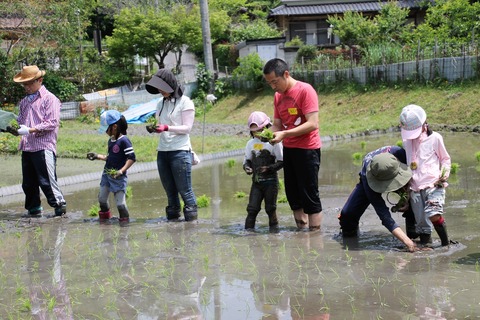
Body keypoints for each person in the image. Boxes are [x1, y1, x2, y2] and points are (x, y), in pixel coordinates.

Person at [263, 58, 322, 231]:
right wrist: (267, 133)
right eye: (269, 83)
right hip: (289, 149)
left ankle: (315, 237)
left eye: (275, 82)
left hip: (308, 150)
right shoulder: (277, 96)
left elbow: (313, 123)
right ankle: (301, 234)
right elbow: (277, 125)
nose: (273, 87)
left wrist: (284, 134)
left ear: (286, 74)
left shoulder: (305, 91)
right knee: (293, 196)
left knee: (309, 196)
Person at [9, 65, 67, 217]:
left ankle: (59, 206)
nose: (26, 87)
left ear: (39, 80)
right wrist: (16, 129)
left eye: (29, 83)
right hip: (27, 146)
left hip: (43, 146)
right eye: (24, 84)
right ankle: (34, 209)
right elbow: (21, 122)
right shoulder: (24, 102)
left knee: (46, 180)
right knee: (28, 183)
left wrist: (30, 130)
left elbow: (52, 122)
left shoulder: (50, 99)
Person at [338, 147, 418, 252]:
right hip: (371, 177)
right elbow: (383, 214)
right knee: (347, 215)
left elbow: (414, 177)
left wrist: (406, 197)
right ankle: (350, 239)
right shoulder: (368, 179)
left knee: (415, 199)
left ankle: (414, 234)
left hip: (396, 171)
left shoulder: (402, 154)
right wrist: (407, 242)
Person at [145, 69, 198, 221]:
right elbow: (160, 125)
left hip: (180, 151)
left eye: (162, 88)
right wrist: (154, 128)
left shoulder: (186, 102)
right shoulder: (160, 104)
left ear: (170, 85)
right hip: (163, 151)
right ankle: (173, 224)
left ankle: (191, 225)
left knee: (185, 190)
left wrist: (167, 128)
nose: (160, 91)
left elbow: (187, 128)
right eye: (159, 89)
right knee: (170, 191)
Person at [400, 104, 452, 246]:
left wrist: (443, 176)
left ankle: (446, 245)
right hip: (415, 187)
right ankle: (425, 247)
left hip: (434, 184)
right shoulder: (407, 140)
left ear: (424, 125)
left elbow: (445, 159)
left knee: (433, 214)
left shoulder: (435, 138)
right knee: (422, 223)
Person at [87, 110, 135, 223]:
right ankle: (105, 223)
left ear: (114, 127)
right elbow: (111, 157)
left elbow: (132, 158)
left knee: (121, 205)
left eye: (106, 129)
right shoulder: (111, 140)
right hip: (107, 174)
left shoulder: (124, 141)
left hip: (118, 176)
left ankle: (124, 225)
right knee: (102, 200)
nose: (105, 132)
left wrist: (121, 171)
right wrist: (97, 156)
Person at [243, 111, 284, 231]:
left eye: (260, 130)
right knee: (252, 209)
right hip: (256, 183)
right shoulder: (250, 144)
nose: (258, 134)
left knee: (270, 209)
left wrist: (269, 168)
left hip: (270, 182)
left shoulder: (274, 142)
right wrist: (247, 167)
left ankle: (274, 234)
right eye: (254, 132)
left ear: (267, 128)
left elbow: (282, 161)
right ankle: (248, 235)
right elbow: (247, 160)